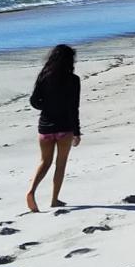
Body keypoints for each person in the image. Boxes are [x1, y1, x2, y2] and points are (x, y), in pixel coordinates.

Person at [26, 44, 81, 212]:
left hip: (45, 127)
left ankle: (31, 191)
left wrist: (48, 105)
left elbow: (34, 101)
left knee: (44, 162)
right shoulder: (73, 80)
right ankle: (54, 199)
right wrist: (77, 132)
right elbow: (74, 107)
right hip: (64, 128)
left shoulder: (44, 76)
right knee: (60, 164)